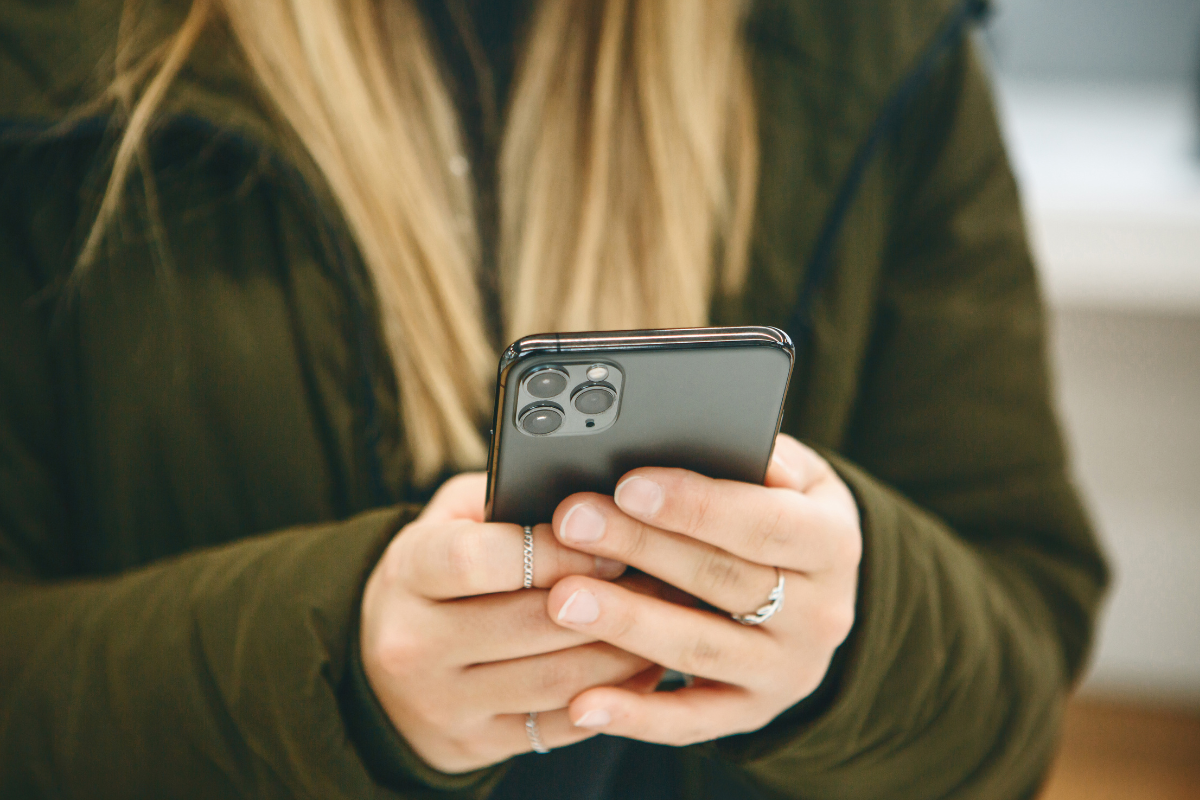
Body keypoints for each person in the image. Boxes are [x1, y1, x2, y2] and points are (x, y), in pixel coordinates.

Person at [0, 0, 1109, 797]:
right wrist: (335, 673)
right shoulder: (48, 60)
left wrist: (853, 643)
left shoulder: (876, 43)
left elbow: (1013, 701)